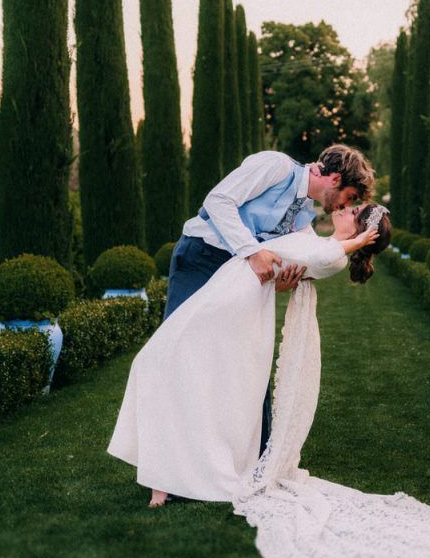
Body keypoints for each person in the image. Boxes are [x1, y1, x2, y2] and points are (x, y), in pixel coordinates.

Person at [108, 203, 388, 505]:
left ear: (364, 232)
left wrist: (356, 244)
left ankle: (170, 479)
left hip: (238, 302)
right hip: (227, 288)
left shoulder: (334, 257)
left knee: (167, 363)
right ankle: (162, 479)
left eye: (354, 211)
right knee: (163, 363)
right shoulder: (317, 239)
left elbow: (322, 257)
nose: (345, 207)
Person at [164, 144, 375, 455]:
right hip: (200, 258)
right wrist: (252, 252)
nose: (344, 206)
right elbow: (218, 200)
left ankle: (256, 461)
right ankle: (172, 463)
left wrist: (283, 278)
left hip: (238, 275)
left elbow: (309, 256)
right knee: (182, 354)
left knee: (248, 359)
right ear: (334, 178)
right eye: (350, 197)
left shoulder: (304, 217)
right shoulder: (275, 165)